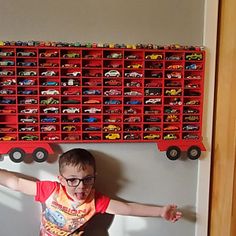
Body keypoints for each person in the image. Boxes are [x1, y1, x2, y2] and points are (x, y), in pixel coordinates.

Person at [0, 148, 182, 235]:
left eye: (87, 180)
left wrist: (159, 211)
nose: (81, 187)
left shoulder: (95, 200)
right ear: (61, 179)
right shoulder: (51, 190)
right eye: (73, 180)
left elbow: (127, 208)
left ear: (94, 177)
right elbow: (15, 182)